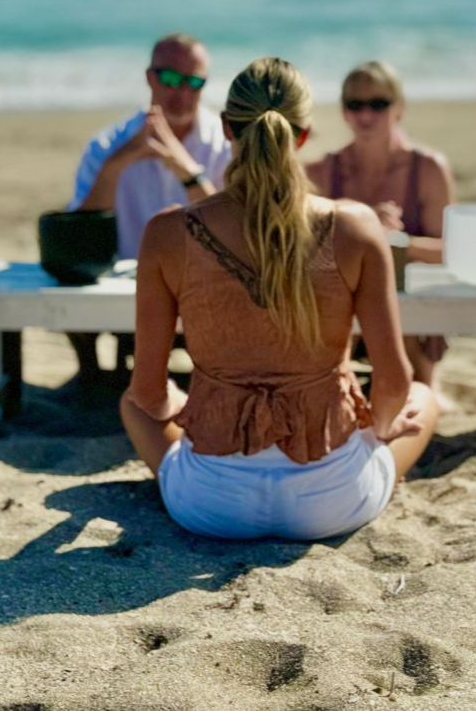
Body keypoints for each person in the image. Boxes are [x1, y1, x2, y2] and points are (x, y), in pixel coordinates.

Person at [119, 57, 438, 541]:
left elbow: (149, 395)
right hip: (332, 501)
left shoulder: (168, 233)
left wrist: (205, 409)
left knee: (130, 404)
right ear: (303, 135)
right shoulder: (354, 227)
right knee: (424, 398)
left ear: (227, 129)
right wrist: (380, 424)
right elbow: (395, 381)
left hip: (210, 503)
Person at [67, 33, 232, 377]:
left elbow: (231, 227)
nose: (182, 92)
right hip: (125, 281)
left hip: (207, 281)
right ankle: (91, 377)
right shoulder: (108, 145)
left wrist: (185, 169)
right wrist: (117, 164)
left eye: (194, 82)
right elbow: (79, 231)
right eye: (171, 79)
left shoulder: (225, 144)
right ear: (150, 77)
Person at [306, 60, 455, 386]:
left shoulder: (427, 168)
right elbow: (302, 241)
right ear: (343, 111)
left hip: (406, 300)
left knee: (395, 290)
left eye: (378, 104)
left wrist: (395, 242)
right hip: (343, 293)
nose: (365, 115)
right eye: (355, 105)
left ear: (399, 108)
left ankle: (424, 385)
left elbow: (452, 252)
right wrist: (364, 226)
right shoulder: (323, 170)